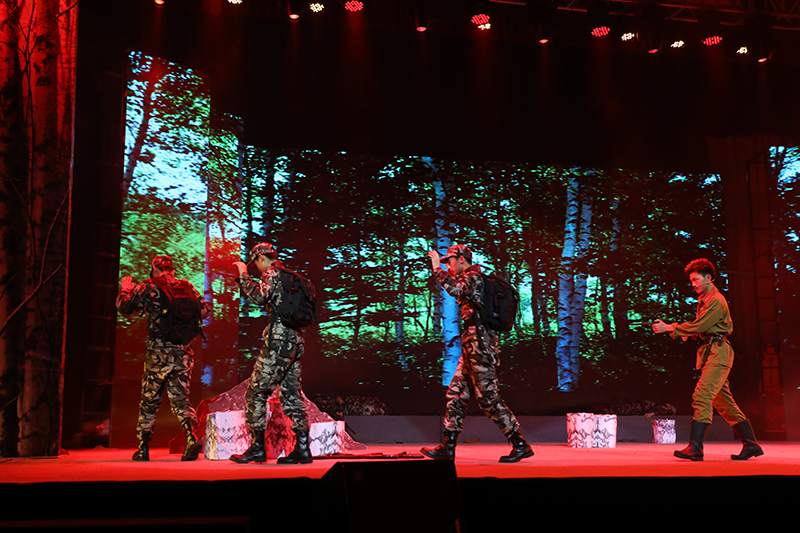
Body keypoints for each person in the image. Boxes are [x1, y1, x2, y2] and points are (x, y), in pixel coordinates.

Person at [421, 245, 534, 463]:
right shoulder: (471, 278)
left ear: (462, 260)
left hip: (480, 348)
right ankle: (448, 448)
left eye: (450, 261)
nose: (448, 265)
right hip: (471, 348)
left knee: (487, 398)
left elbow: (455, 289)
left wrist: (436, 269)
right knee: (456, 395)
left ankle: (520, 444)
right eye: (445, 263)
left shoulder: (473, 277)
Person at [653, 258, 763, 461]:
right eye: (691, 281)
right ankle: (751, 444)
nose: (693, 284)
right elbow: (701, 328)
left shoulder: (715, 300)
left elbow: (700, 326)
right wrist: (686, 332)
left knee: (702, 395)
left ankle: (696, 448)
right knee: (723, 402)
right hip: (712, 351)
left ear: (709, 278)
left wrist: (670, 327)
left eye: (696, 279)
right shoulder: (705, 300)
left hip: (719, 352)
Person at [116, 255, 212, 462]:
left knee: (149, 400)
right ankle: (191, 436)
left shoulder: (150, 286)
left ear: (154, 269)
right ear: (172, 270)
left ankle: (143, 449)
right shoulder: (187, 286)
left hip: (158, 352)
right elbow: (205, 310)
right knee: (181, 399)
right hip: (184, 351)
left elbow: (125, 307)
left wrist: (125, 289)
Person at [230, 242, 312, 465]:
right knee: (292, 394)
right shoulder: (289, 276)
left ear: (260, 258)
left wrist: (243, 275)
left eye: (255, 264)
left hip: (278, 341)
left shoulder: (272, 273)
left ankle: (257, 449)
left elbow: (259, 297)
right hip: (295, 340)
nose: (257, 268)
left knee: (256, 392)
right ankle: (302, 449)